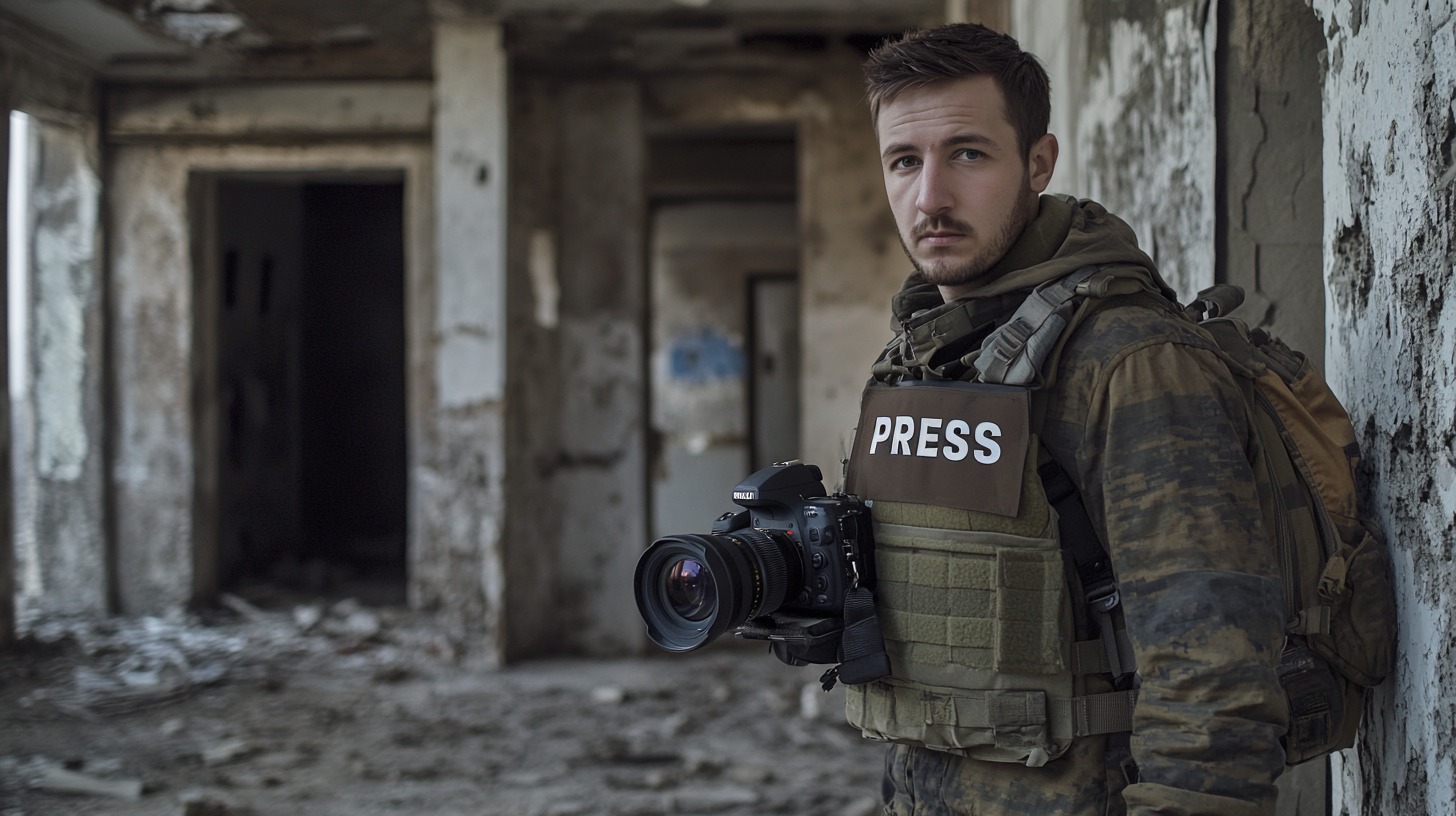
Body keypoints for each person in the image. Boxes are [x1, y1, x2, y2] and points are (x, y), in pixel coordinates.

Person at [839, 23, 1289, 816]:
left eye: (968, 154)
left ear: (1038, 163)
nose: (930, 197)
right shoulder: (922, 357)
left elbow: (1212, 676)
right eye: (904, 161)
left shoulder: (1128, 362)